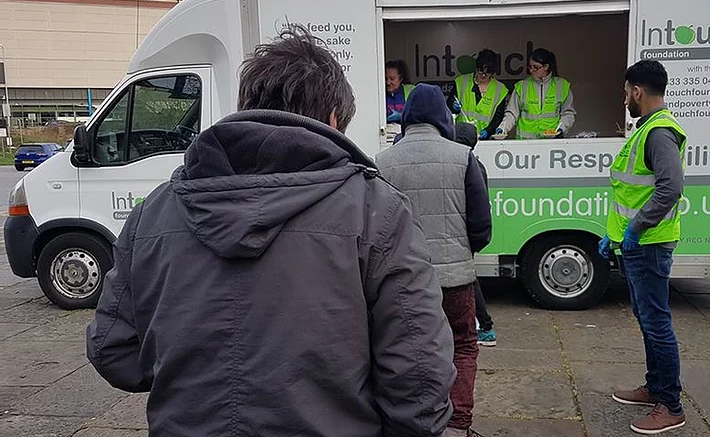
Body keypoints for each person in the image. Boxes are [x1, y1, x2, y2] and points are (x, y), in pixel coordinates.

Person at [87, 26, 457, 437]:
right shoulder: (376, 210)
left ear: (248, 105)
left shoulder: (152, 213)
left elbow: (114, 351)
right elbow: (420, 377)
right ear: (334, 120)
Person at [376, 85, 492, 437]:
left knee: (405, 353)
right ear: (444, 115)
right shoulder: (463, 157)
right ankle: (457, 426)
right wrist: (461, 253)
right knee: (463, 345)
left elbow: (376, 226)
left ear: (408, 116)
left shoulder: (381, 162)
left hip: (402, 282)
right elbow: (481, 227)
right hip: (455, 280)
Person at [599, 59, 686, 435]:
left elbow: (670, 188)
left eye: (626, 91)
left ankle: (670, 405)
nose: (625, 98)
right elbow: (634, 189)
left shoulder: (658, 133)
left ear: (637, 90)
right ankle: (655, 388)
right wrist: (616, 236)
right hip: (638, 244)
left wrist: (635, 228)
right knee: (647, 320)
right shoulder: (647, 129)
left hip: (649, 244)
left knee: (656, 323)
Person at [454, 122, 497, 346]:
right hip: (469, 233)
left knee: (469, 281)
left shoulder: (463, 164)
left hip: (461, 233)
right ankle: (483, 326)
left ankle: (486, 327)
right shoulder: (476, 164)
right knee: (470, 279)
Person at [498, 48, 576, 139]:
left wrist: (561, 130)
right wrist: (502, 129)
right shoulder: (521, 86)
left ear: (546, 67)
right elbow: (511, 114)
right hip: (525, 143)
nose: (531, 70)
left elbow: (568, 113)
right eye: (530, 66)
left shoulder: (562, 86)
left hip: (551, 141)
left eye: (535, 67)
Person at [450, 49, 510, 140]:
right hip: (461, 136)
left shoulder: (500, 89)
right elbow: (448, 106)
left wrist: (489, 130)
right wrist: (453, 107)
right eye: (480, 71)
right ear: (476, 67)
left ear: (493, 72)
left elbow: (498, 117)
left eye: (487, 73)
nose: (483, 75)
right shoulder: (461, 82)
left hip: (485, 139)